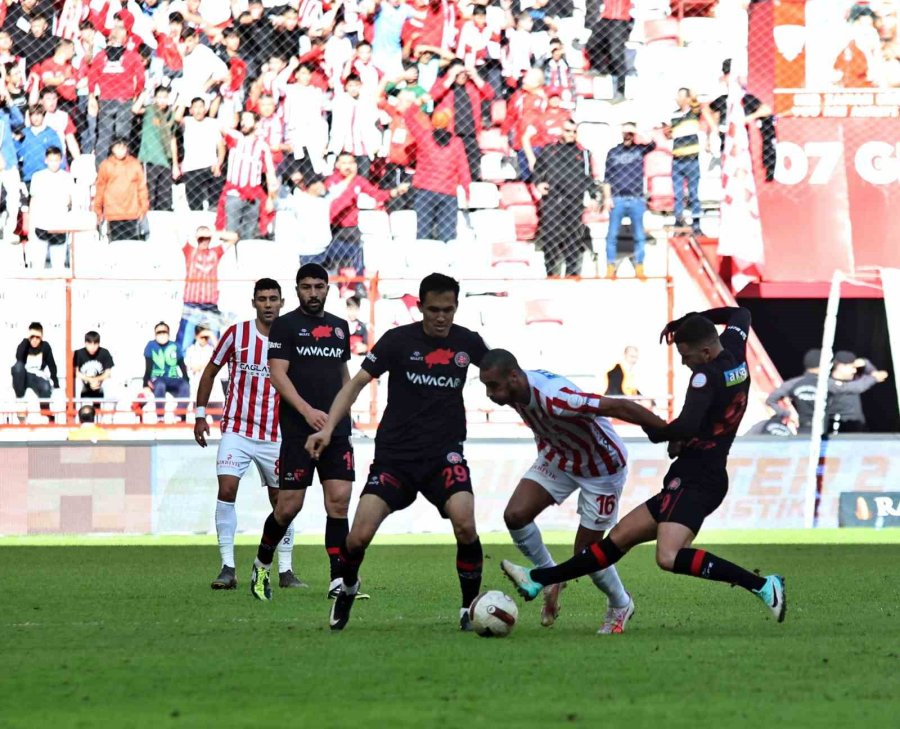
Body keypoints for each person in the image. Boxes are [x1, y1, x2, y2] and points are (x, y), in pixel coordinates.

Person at [501, 307, 788, 625]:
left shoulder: (705, 377)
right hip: (694, 475)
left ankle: (763, 586)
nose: (684, 361)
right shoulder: (734, 349)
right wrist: (686, 321)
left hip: (698, 479)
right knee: (618, 538)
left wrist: (657, 431)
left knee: (668, 556)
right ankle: (539, 578)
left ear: (705, 351)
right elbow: (742, 314)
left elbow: (684, 426)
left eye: (686, 355)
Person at [307, 273, 489, 632]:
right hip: (395, 458)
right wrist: (328, 428)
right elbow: (356, 384)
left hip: (444, 457)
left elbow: (504, 375)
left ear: (456, 308)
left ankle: (469, 609)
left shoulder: (468, 342)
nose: (441, 317)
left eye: (448, 310)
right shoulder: (398, 341)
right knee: (357, 537)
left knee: (466, 524)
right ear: (420, 307)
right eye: (434, 310)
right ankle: (348, 585)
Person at [479, 349, 670, 633]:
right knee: (516, 515)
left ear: (514, 377)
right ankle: (551, 576)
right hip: (559, 458)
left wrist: (667, 432)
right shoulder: (516, 392)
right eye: (486, 386)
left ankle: (621, 603)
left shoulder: (557, 398)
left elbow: (620, 407)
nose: (489, 394)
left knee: (587, 554)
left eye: (493, 385)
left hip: (601, 468)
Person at [248, 264, 356, 601]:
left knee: (338, 502)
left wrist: (344, 416)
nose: (313, 293)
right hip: (298, 430)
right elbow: (277, 374)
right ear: (297, 290)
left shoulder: (339, 328)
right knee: (288, 507)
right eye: (306, 287)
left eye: (319, 286)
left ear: (328, 289)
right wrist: (308, 411)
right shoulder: (286, 325)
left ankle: (339, 581)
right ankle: (261, 564)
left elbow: (343, 374)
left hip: (335, 431)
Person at [194, 278, 304, 590]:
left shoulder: (294, 338)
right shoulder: (236, 334)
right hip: (238, 430)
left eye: (273, 298)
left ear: (282, 303)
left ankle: (285, 570)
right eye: (262, 299)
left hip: (276, 434)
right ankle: (227, 568)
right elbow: (211, 371)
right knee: (227, 489)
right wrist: (201, 415)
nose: (268, 304)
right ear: (253, 302)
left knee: (282, 503)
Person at [532, 119, 593, 277]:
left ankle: (572, 274)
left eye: (574, 131)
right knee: (551, 236)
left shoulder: (583, 153)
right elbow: (538, 171)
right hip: (553, 199)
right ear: (561, 131)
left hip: (574, 200)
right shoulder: (549, 150)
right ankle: (551, 273)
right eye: (568, 131)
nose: (571, 134)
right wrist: (539, 183)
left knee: (573, 237)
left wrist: (593, 195)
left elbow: (588, 177)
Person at [404, 106, 470, 242]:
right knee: (447, 236)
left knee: (423, 234)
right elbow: (463, 168)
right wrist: (467, 191)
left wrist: (417, 103)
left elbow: (408, 117)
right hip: (448, 193)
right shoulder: (456, 143)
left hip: (425, 191)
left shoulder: (424, 137)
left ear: (432, 122)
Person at [602, 123, 655, 279]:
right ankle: (610, 266)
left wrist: (638, 131)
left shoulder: (639, 149)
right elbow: (607, 178)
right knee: (611, 235)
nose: (628, 135)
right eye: (626, 132)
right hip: (617, 198)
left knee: (639, 235)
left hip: (636, 198)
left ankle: (639, 266)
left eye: (630, 133)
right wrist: (607, 198)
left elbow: (653, 143)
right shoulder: (613, 152)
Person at [709, 59, 776, 182]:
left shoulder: (745, 99)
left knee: (741, 176)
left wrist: (746, 119)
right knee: (727, 174)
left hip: (740, 143)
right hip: (724, 143)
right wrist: (714, 130)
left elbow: (767, 110)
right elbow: (711, 114)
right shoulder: (721, 99)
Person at [176, 226, 238, 357]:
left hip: (210, 305)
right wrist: (198, 234)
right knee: (185, 341)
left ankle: (212, 371)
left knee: (214, 340)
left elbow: (234, 237)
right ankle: (182, 371)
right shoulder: (189, 251)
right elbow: (178, 231)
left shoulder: (215, 252)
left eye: (207, 238)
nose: (204, 241)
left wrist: (213, 233)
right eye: (201, 238)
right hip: (191, 304)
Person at [665, 88, 716, 236]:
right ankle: (678, 222)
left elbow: (697, 104)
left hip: (691, 159)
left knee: (694, 193)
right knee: (678, 194)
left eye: (680, 96)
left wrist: (691, 94)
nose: (677, 99)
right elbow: (669, 133)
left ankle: (696, 225)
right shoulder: (673, 115)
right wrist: (667, 131)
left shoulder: (693, 112)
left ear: (687, 99)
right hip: (677, 159)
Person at [94, 137, 149, 241]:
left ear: (127, 149)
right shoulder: (106, 165)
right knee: (116, 246)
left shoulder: (134, 164)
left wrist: (144, 208)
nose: (121, 151)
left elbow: (142, 188)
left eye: (123, 148)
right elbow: (100, 188)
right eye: (118, 148)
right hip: (113, 214)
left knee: (131, 245)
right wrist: (98, 210)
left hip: (132, 214)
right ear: (112, 149)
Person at [28, 145, 74, 270]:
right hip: (41, 224)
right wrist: (30, 226)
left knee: (58, 265)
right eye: (51, 160)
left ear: (61, 160)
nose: (54, 163)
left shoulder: (67, 178)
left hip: (59, 226)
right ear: (46, 160)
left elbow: (71, 201)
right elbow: (33, 201)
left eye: (56, 160)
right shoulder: (38, 177)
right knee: (37, 264)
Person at [134, 85, 177, 211]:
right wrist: (146, 91)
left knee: (165, 199)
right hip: (150, 160)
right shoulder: (150, 110)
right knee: (149, 196)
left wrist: (174, 164)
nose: (162, 101)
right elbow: (135, 109)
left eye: (165, 97)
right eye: (159, 98)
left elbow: (172, 139)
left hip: (165, 162)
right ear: (154, 99)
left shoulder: (170, 114)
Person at [826, 351, 889, 433]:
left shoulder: (852, 378)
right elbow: (857, 387)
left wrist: (865, 363)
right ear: (840, 366)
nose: (854, 371)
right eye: (852, 367)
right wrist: (874, 378)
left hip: (857, 427)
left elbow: (874, 372)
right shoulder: (829, 383)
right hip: (839, 429)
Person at [586, 0, 633, 101]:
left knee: (616, 55)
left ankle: (620, 91)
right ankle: (599, 68)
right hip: (606, 17)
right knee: (592, 43)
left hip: (620, 19)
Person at [142, 321, 189, 420]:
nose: (162, 334)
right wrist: (145, 384)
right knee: (160, 386)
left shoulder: (175, 346)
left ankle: (179, 416)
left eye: (164, 332)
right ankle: (160, 416)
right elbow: (148, 367)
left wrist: (186, 380)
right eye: (159, 332)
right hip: (157, 378)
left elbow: (182, 365)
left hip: (172, 377)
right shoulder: (151, 346)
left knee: (185, 386)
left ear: (168, 333)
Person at [11, 322, 58, 408]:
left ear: (41, 337)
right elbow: (19, 358)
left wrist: (56, 384)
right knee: (17, 367)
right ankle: (20, 398)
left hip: (37, 376)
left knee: (45, 386)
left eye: (37, 337)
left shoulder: (45, 346)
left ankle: (45, 412)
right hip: (24, 376)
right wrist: (26, 341)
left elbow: (52, 365)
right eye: (32, 337)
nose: (35, 340)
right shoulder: (25, 344)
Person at [73, 331, 114, 401]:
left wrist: (96, 380)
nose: (92, 347)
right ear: (85, 343)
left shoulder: (104, 352)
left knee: (109, 383)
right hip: (84, 383)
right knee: (77, 382)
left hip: (100, 383)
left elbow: (108, 373)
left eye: (95, 344)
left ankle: (107, 409)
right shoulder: (78, 353)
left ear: (99, 343)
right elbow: (76, 373)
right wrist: (90, 380)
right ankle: (77, 408)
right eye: (90, 344)